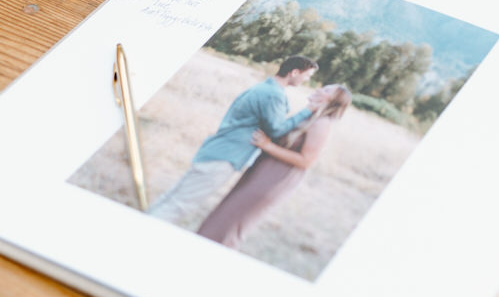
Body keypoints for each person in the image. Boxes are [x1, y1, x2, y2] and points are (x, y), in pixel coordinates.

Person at [149, 55, 318, 228]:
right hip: (225, 157)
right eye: (307, 75)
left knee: (173, 199)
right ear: (295, 72)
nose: (307, 80)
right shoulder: (274, 95)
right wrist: (307, 111)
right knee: (180, 205)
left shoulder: (264, 88)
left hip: (217, 151)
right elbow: (276, 130)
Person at [196, 84, 352, 249]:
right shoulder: (309, 115)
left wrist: (268, 146)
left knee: (230, 224)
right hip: (261, 170)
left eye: (327, 91)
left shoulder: (322, 124)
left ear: (334, 101)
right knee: (222, 215)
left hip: (276, 178)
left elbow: (307, 161)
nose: (319, 89)